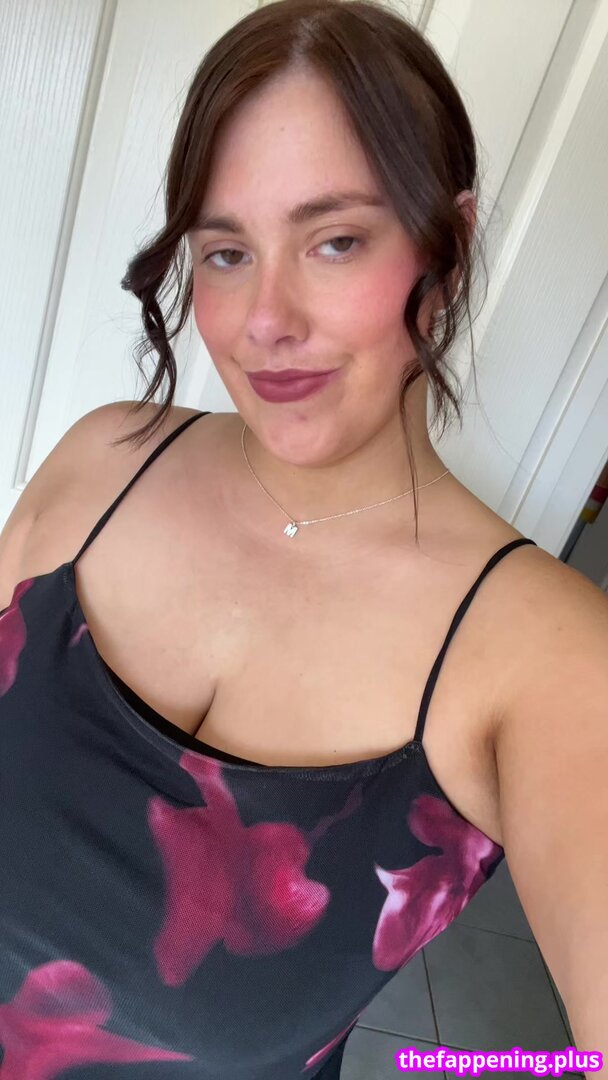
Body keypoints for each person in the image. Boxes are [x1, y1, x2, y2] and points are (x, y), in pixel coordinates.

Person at [0, 1, 606, 1077]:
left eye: (334, 241)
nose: (265, 318)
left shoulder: (544, 658)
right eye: (227, 251)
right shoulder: (101, 462)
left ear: (448, 247)